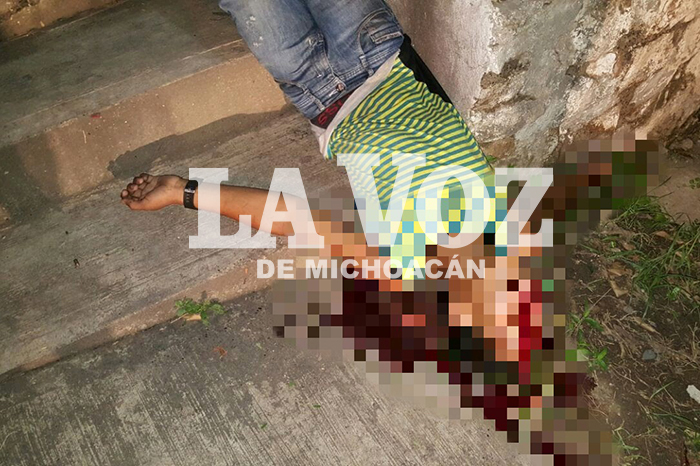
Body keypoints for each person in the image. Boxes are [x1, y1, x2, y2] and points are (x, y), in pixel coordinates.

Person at [121, 1, 660, 463]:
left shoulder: (400, 262)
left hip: (317, 89)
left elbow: (295, 218)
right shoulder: (509, 226)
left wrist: (183, 191)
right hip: (376, 49)